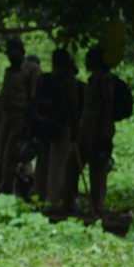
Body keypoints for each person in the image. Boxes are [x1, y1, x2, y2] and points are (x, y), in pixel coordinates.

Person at [30, 49, 82, 212]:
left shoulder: (44, 80)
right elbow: (73, 107)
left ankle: (39, 197)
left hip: (44, 127)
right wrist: (75, 129)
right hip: (61, 127)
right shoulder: (69, 82)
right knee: (57, 165)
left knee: (42, 164)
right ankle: (52, 201)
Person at [79, 47, 120, 217]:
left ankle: (98, 204)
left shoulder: (105, 80)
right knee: (79, 164)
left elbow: (107, 106)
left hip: (100, 129)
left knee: (98, 168)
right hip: (87, 128)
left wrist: (103, 130)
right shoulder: (93, 80)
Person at [0, 38, 36, 196]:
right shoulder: (9, 71)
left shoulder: (30, 71)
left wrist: (29, 121)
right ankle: (8, 186)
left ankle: (8, 189)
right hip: (6, 117)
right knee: (2, 152)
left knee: (12, 154)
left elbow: (33, 96)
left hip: (20, 117)